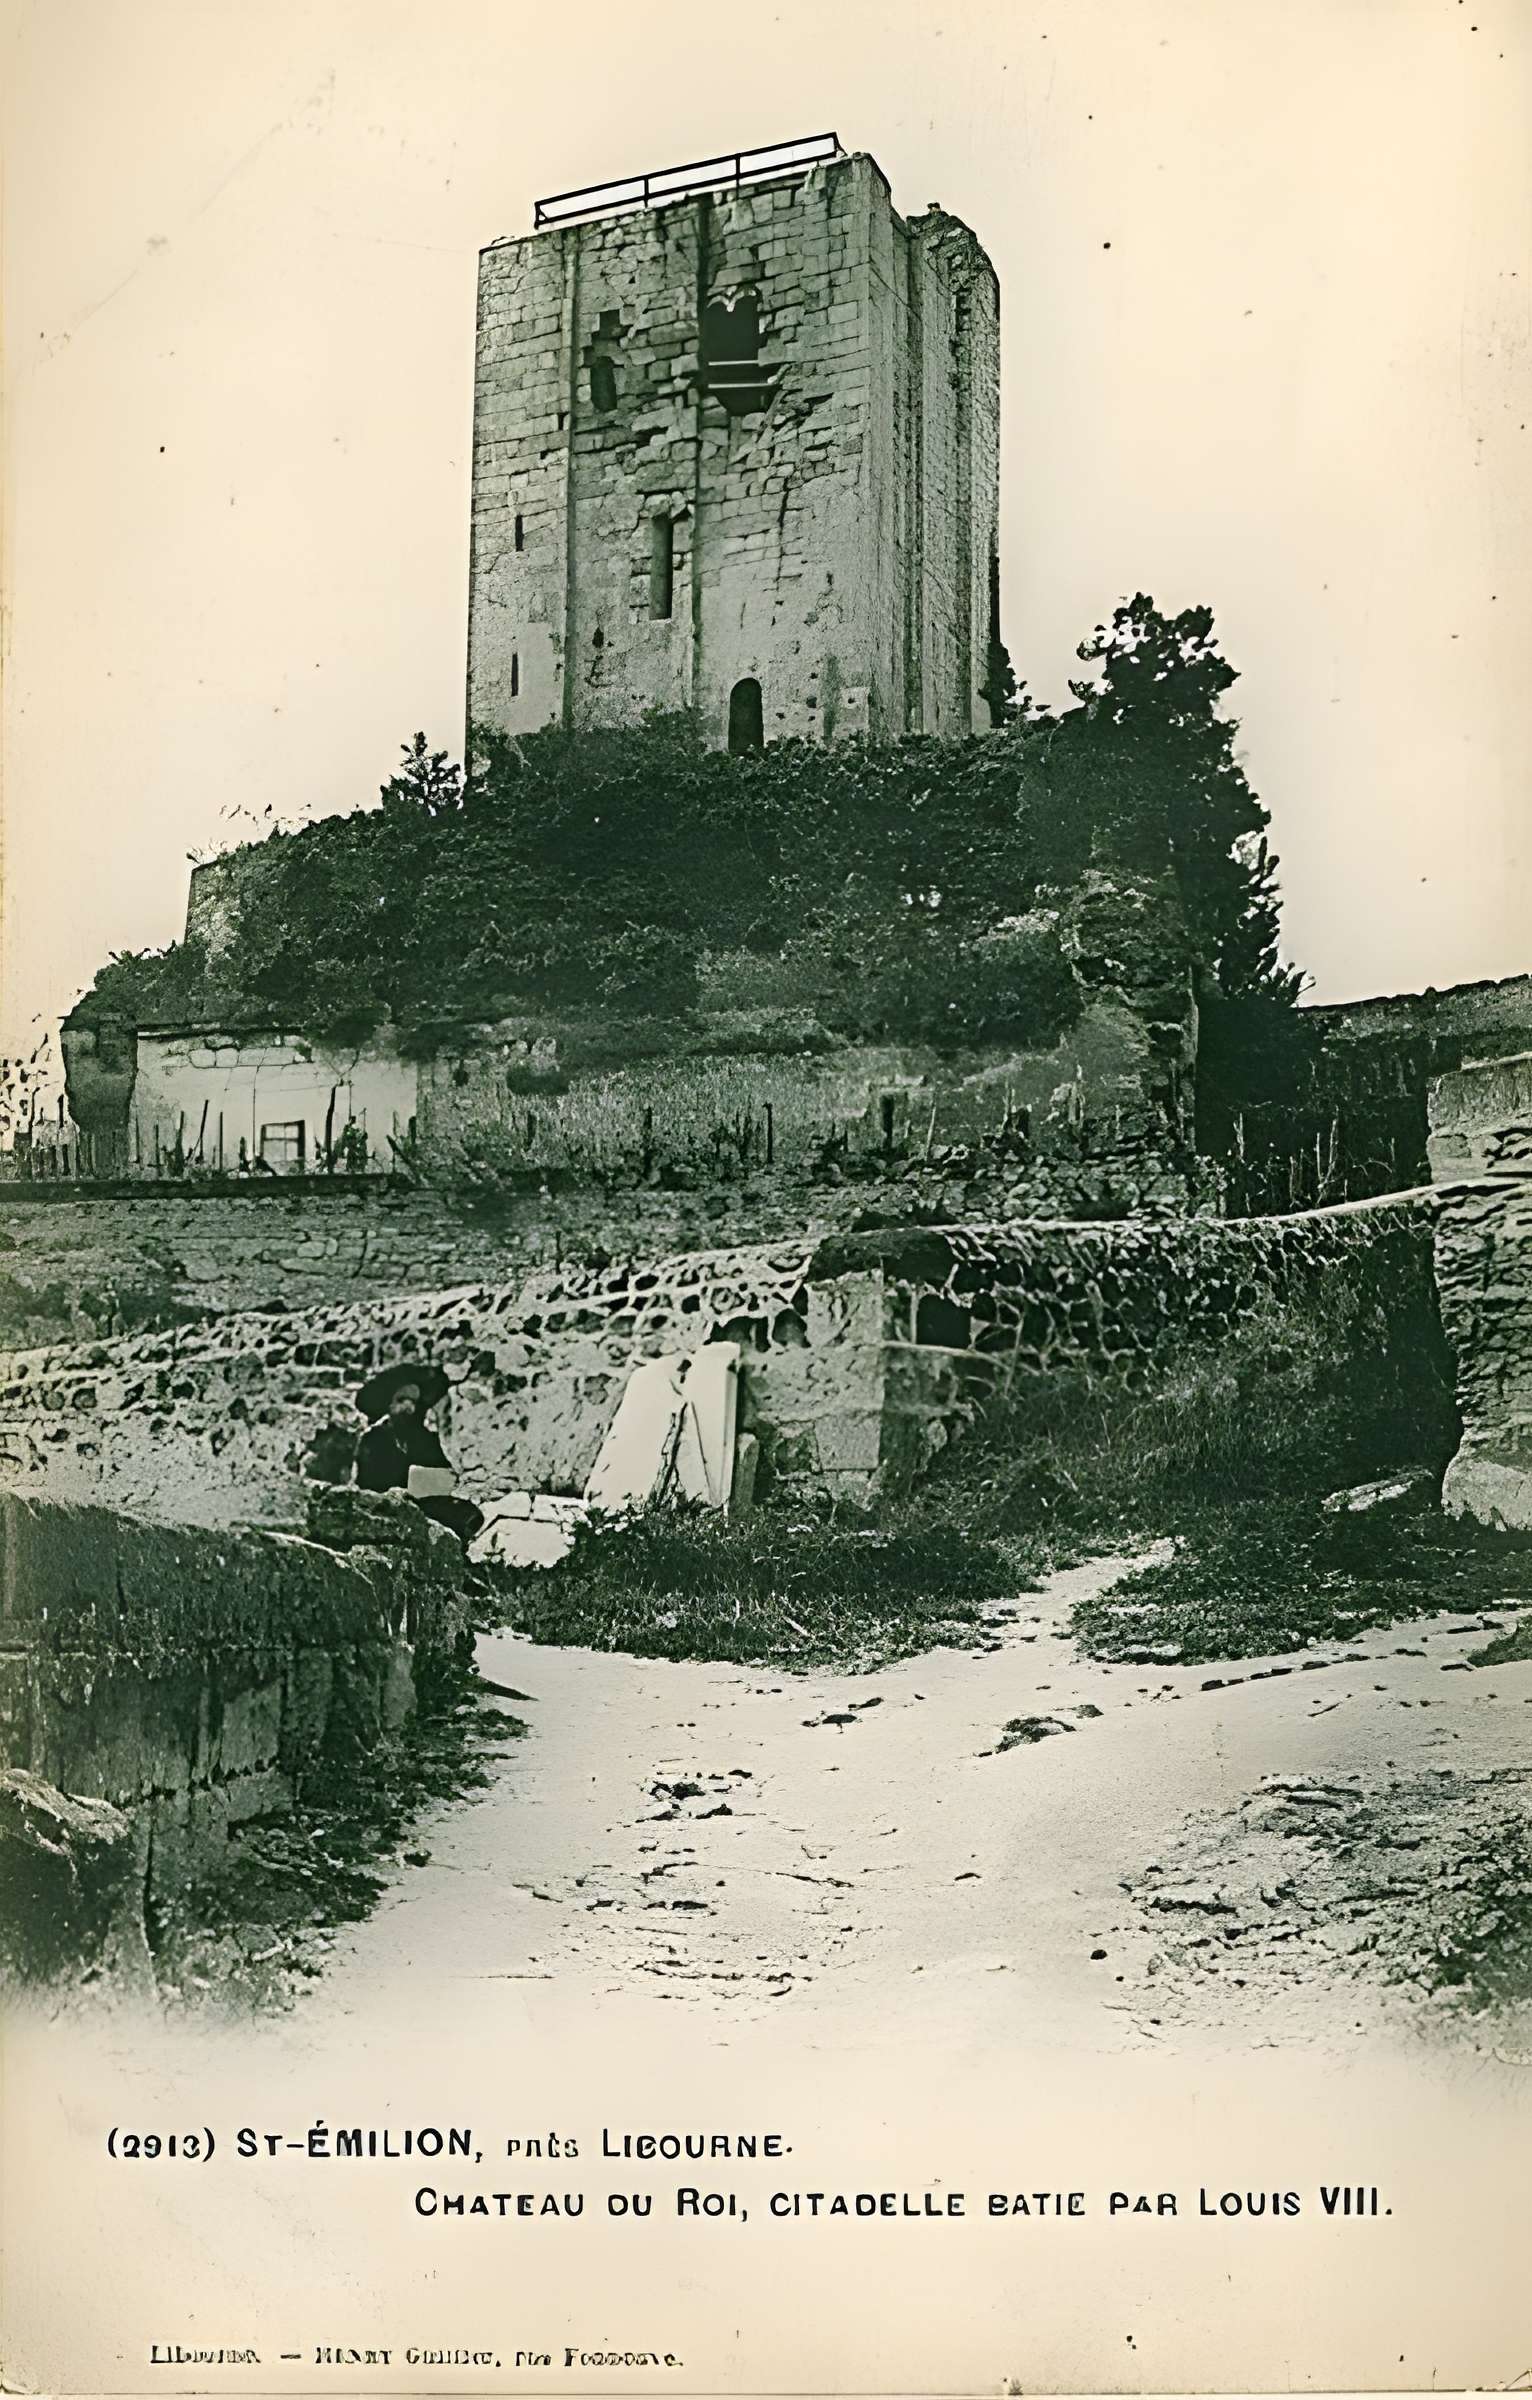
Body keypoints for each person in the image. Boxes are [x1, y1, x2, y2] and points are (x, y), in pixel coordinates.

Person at [352, 1360, 484, 1547]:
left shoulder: (424, 1439)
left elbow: (442, 1474)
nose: (409, 1408)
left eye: (414, 1403)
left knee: (465, 1512)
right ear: (389, 1405)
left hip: (418, 1507)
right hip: (385, 1508)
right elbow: (368, 1486)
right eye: (402, 1400)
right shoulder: (374, 1439)